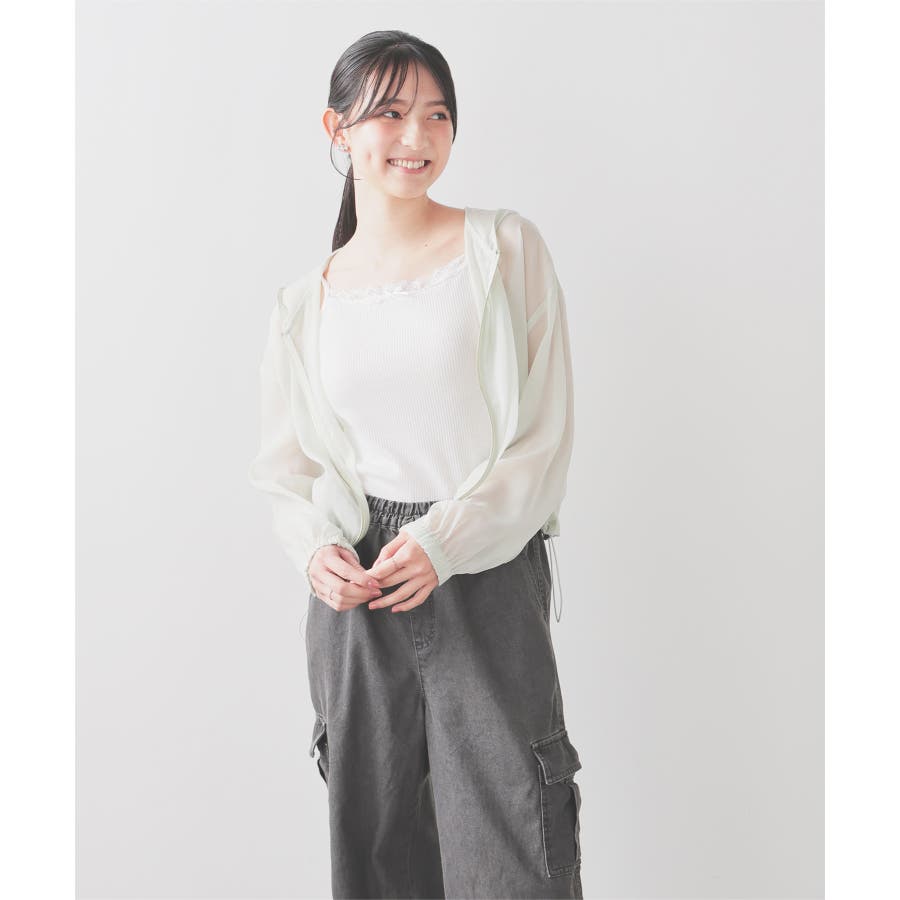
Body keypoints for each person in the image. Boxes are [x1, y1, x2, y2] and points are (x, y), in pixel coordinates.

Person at [248, 29, 582, 900]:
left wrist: (445, 541)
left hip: (485, 571)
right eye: (390, 113)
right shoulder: (303, 304)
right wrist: (316, 549)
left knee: (515, 846)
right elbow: (287, 470)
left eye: (437, 115)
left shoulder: (504, 250)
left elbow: (543, 441)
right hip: (358, 593)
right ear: (337, 129)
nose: (417, 136)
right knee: (379, 851)